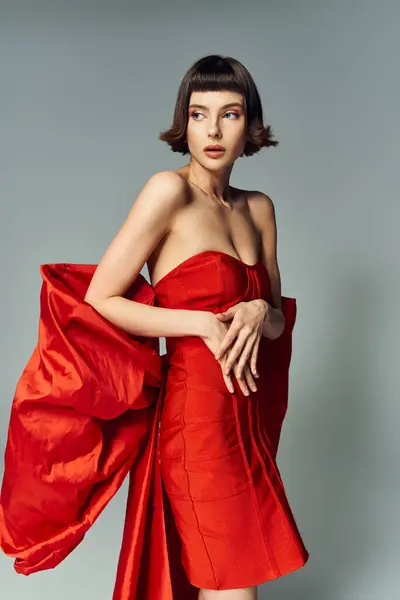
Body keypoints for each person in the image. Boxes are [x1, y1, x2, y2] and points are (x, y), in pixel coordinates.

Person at [0, 54, 309, 600]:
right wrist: (200, 325)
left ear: (250, 124)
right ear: (183, 123)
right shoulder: (168, 192)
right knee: (232, 587)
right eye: (198, 114)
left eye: (230, 114)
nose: (213, 130)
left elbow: (279, 324)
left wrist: (263, 311)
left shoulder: (259, 208)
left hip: (246, 428)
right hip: (196, 428)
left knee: (234, 583)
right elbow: (102, 298)